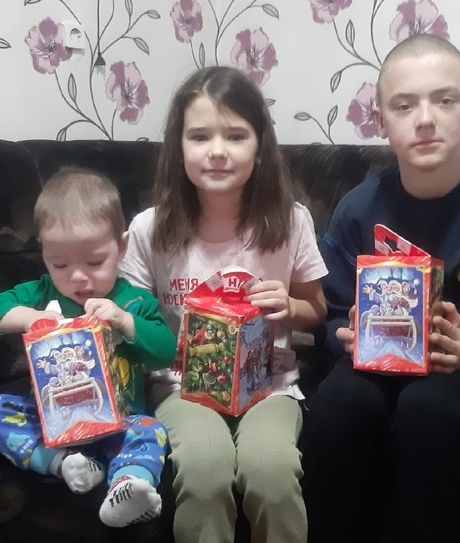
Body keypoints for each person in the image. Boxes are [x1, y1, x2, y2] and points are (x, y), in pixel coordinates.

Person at [299, 33, 460, 543]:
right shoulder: (357, 209)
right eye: (405, 105)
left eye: (444, 100)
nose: (426, 119)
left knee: (427, 408)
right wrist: (344, 336)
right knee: (337, 405)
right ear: (380, 120)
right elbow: (330, 315)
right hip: (379, 366)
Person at [118, 65, 328, 543]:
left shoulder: (291, 220)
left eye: (235, 136)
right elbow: (133, 323)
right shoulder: (150, 229)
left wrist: (289, 306)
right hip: (180, 388)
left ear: (260, 148)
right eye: (199, 137)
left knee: (271, 472)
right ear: (179, 149)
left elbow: (316, 308)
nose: (217, 151)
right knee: (205, 469)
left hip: (270, 386)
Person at [0, 167, 177, 528]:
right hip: (52, 427)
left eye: (94, 262)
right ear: (43, 253)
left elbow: (165, 351)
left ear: (121, 247)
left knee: (151, 430)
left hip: (120, 423)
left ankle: (127, 486)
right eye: (60, 264)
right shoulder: (42, 293)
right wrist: (27, 316)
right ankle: (65, 466)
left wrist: (126, 321)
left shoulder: (133, 301)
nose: (78, 276)